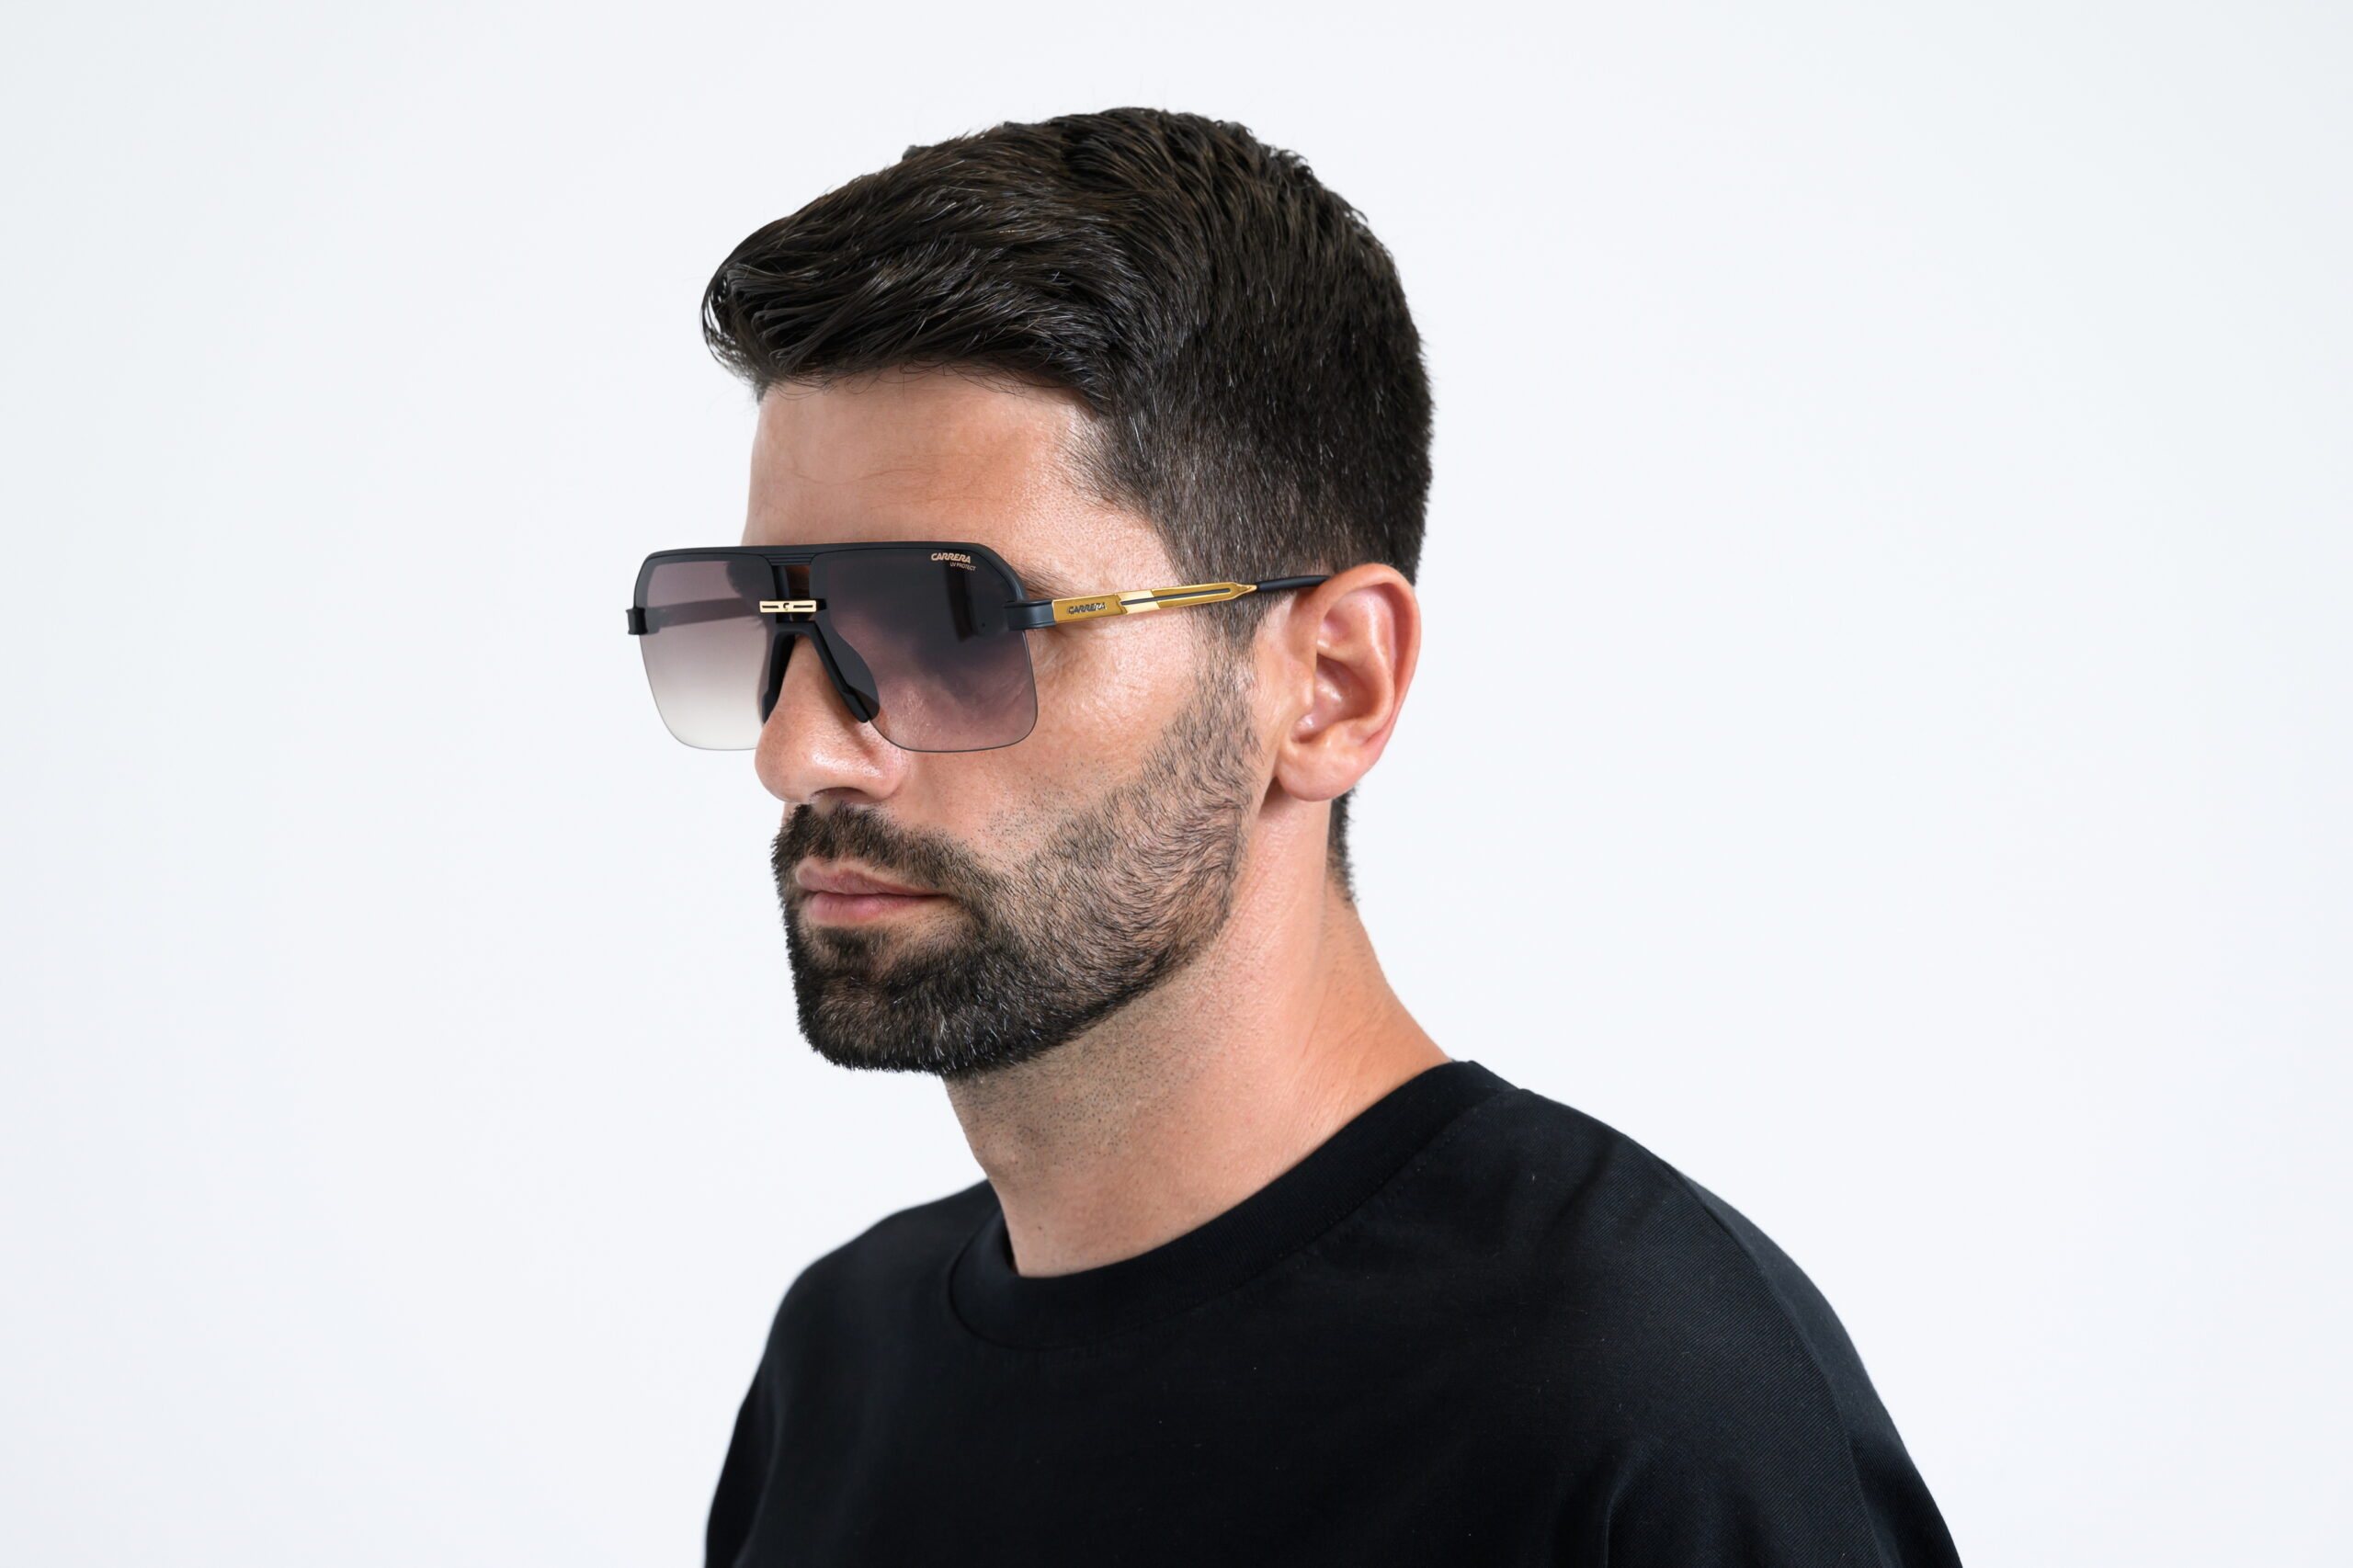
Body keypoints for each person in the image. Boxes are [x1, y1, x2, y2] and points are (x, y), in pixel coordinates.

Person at [631, 107, 1965, 1567]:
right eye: (770, 626)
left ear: (1330, 684)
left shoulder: (1645, 1406)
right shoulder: (841, 1368)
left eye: (949, 623)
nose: (796, 749)